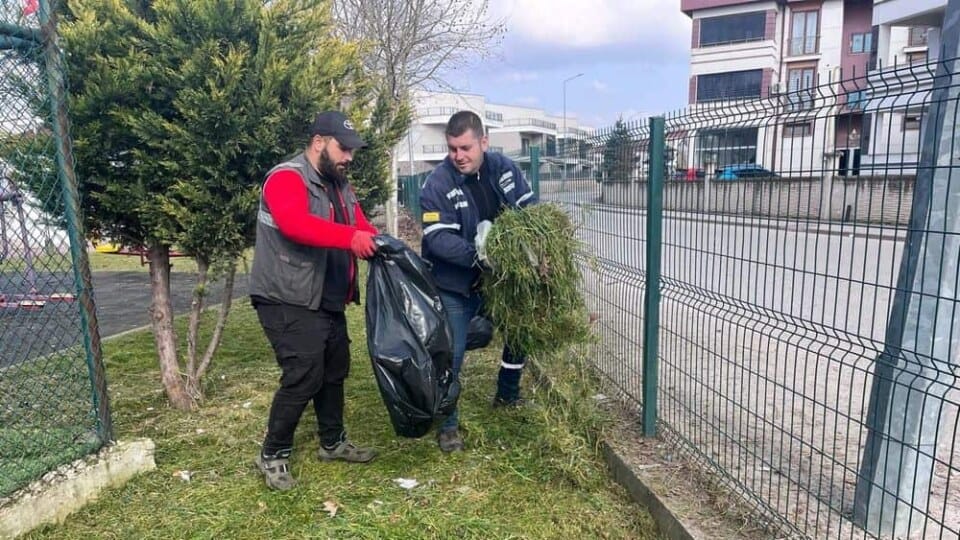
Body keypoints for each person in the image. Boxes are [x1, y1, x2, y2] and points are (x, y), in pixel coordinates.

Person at [249, 110, 379, 490]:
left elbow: (360, 223)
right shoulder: (286, 178)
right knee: (304, 375)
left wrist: (383, 244)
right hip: (286, 296)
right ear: (319, 142)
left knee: (334, 371)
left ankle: (332, 442)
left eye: (353, 151)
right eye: (344, 149)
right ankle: (273, 453)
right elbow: (295, 224)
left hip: (327, 297)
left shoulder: (340, 184)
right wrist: (349, 239)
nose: (349, 158)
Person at [419, 110, 538, 453]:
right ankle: (448, 425)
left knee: (520, 333)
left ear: (484, 142)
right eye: (453, 148)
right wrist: (481, 255)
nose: (459, 156)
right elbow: (438, 240)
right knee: (451, 355)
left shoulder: (504, 169)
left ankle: (508, 394)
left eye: (466, 148)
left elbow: (530, 213)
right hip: (455, 285)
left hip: (501, 282)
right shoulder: (437, 183)